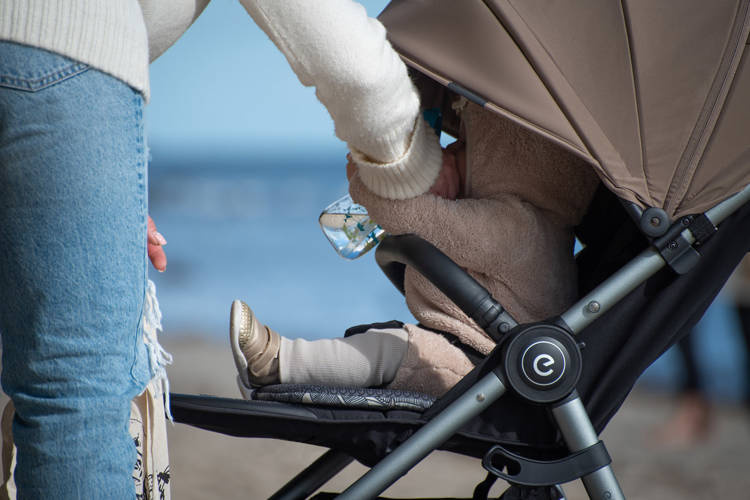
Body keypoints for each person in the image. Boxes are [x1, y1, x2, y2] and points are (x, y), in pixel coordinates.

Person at [229, 4, 600, 396]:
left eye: (467, 146)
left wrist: (369, 170)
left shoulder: (519, 230)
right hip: (471, 344)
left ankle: (277, 362)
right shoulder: (521, 219)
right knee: (388, 343)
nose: (453, 149)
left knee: (386, 349)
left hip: (488, 364)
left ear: (517, 165)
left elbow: (407, 213)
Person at [0, 1, 212, 497]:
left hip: (54, 67)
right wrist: (396, 158)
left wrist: (102, 196)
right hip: (64, 49)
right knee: (73, 402)